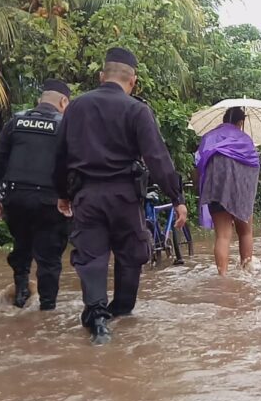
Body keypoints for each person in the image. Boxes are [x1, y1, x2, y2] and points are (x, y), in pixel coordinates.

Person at [53, 47, 187, 346]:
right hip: (125, 197)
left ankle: (98, 318)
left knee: (91, 256)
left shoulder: (76, 107)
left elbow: (60, 155)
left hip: (87, 196)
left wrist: (62, 194)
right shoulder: (137, 110)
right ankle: (123, 309)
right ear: (133, 81)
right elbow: (157, 157)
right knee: (130, 253)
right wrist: (176, 197)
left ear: (102, 76)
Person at [0, 79, 71, 311]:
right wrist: (70, 197)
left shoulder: (16, 122)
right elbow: (72, 165)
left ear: (41, 100)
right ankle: (47, 309)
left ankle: (21, 290)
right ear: (63, 101)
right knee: (49, 258)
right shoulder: (65, 126)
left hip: (15, 199)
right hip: (50, 202)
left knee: (22, 244)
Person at [195, 107, 260, 276]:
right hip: (242, 193)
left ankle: (222, 277)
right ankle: (247, 271)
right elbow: (253, 169)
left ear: (223, 120)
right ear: (240, 123)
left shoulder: (209, 137)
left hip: (216, 191)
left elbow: (199, 165)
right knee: (245, 232)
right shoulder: (246, 140)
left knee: (222, 236)